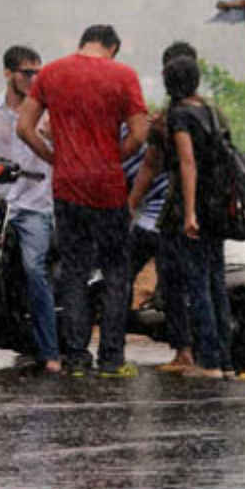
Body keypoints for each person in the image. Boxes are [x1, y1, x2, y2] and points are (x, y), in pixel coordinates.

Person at [17, 24, 148, 378]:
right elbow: (140, 133)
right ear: (113, 47)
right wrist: (114, 157)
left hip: (68, 187)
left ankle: (75, 358)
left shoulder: (52, 72)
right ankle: (111, 360)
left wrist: (53, 159)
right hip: (108, 187)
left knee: (74, 271)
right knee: (117, 273)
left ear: (82, 43)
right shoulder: (123, 75)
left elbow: (24, 128)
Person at [0, 45, 59, 373]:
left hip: (34, 204)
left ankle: (50, 352)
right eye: (26, 72)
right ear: (8, 73)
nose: (33, 79)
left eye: (38, 72)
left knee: (35, 268)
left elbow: (59, 157)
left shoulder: (50, 114)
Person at [155, 55, 233, 379]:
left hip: (198, 206)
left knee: (198, 283)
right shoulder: (213, 112)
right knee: (217, 282)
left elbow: (187, 163)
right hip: (220, 206)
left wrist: (189, 213)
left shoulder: (180, 116)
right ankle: (226, 361)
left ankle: (209, 361)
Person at [129, 41, 198, 373]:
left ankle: (183, 351)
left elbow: (152, 167)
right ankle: (214, 355)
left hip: (172, 216)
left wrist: (131, 203)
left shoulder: (168, 120)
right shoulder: (213, 113)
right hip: (207, 216)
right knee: (202, 282)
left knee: (167, 281)